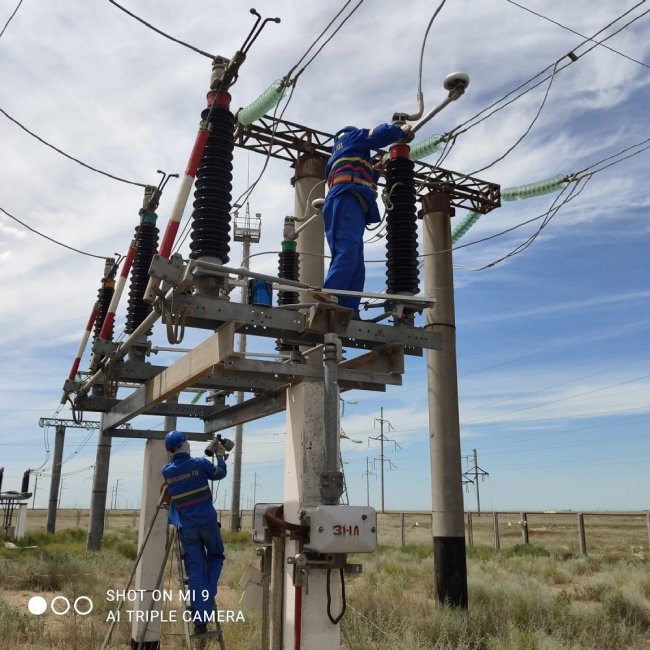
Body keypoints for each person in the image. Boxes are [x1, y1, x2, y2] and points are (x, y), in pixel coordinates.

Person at [322, 122, 412, 318]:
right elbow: (376, 135)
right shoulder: (351, 138)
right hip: (345, 199)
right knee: (347, 251)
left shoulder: (341, 154)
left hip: (350, 200)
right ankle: (330, 296)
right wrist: (399, 130)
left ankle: (349, 308)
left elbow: (356, 175)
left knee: (355, 261)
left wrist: (374, 172)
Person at [161, 430, 228, 635]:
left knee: (195, 570)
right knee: (215, 556)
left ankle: (200, 620)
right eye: (187, 442)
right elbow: (220, 474)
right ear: (184, 445)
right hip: (207, 523)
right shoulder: (200, 463)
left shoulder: (167, 471)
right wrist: (220, 456)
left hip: (187, 527)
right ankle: (208, 593)